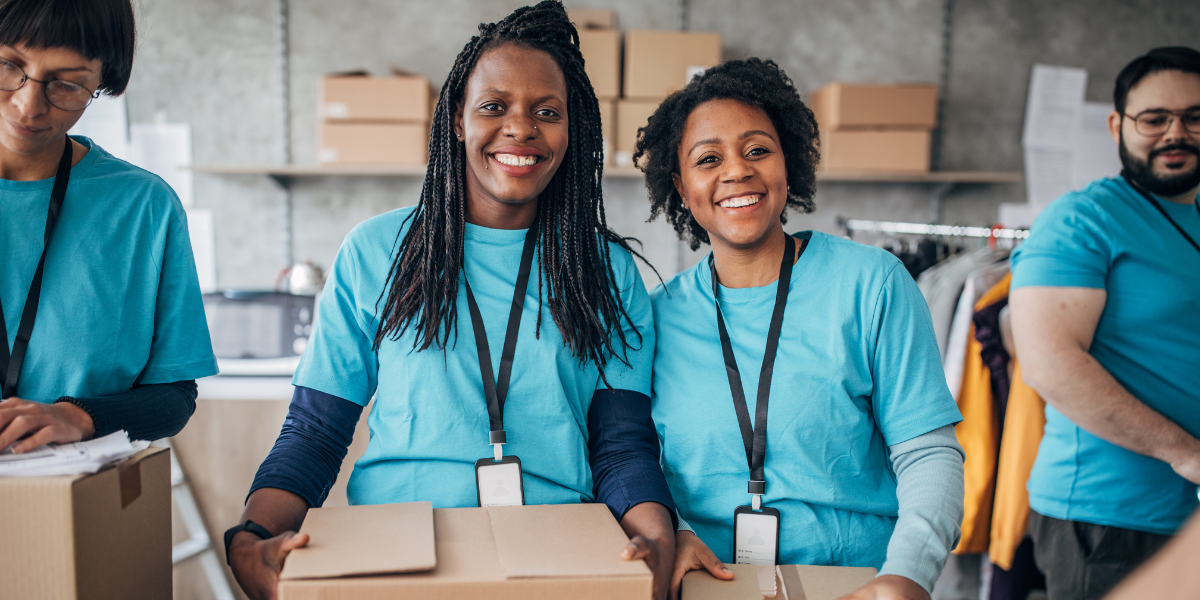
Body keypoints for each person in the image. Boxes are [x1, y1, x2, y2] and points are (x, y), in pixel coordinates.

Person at [225, 3, 676, 599]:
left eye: (548, 112)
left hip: (557, 545)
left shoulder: (605, 271)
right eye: (494, 107)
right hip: (396, 542)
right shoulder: (377, 250)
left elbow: (620, 444)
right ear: (458, 121)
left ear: (574, 132)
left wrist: (656, 542)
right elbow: (317, 430)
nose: (521, 128)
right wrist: (253, 535)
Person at [635, 59, 965, 600]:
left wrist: (906, 576)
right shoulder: (656, 316)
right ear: (681, 186)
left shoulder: (872, 284)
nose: (737, 171)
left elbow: (928, 454)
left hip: (857, 586)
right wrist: (677, 529)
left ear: (787, 161)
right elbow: (639, 458)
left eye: (758, 150)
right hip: (709, 586)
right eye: (708, 159)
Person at [1009, 46, 1200, 600]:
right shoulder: (1082, 221)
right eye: (1155, 118)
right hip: (1110, 518)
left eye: (1193, 117)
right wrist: (1186, 453)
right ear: (1119, 125)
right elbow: (1049, 363)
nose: (1176, 133)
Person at [0, 0, 215, 451]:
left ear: (102, 82)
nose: (28, 105)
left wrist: (77, 417)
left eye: (67, 84)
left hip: (71, 496)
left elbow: (174, 397)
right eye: (7, 64)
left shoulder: (143, 206)